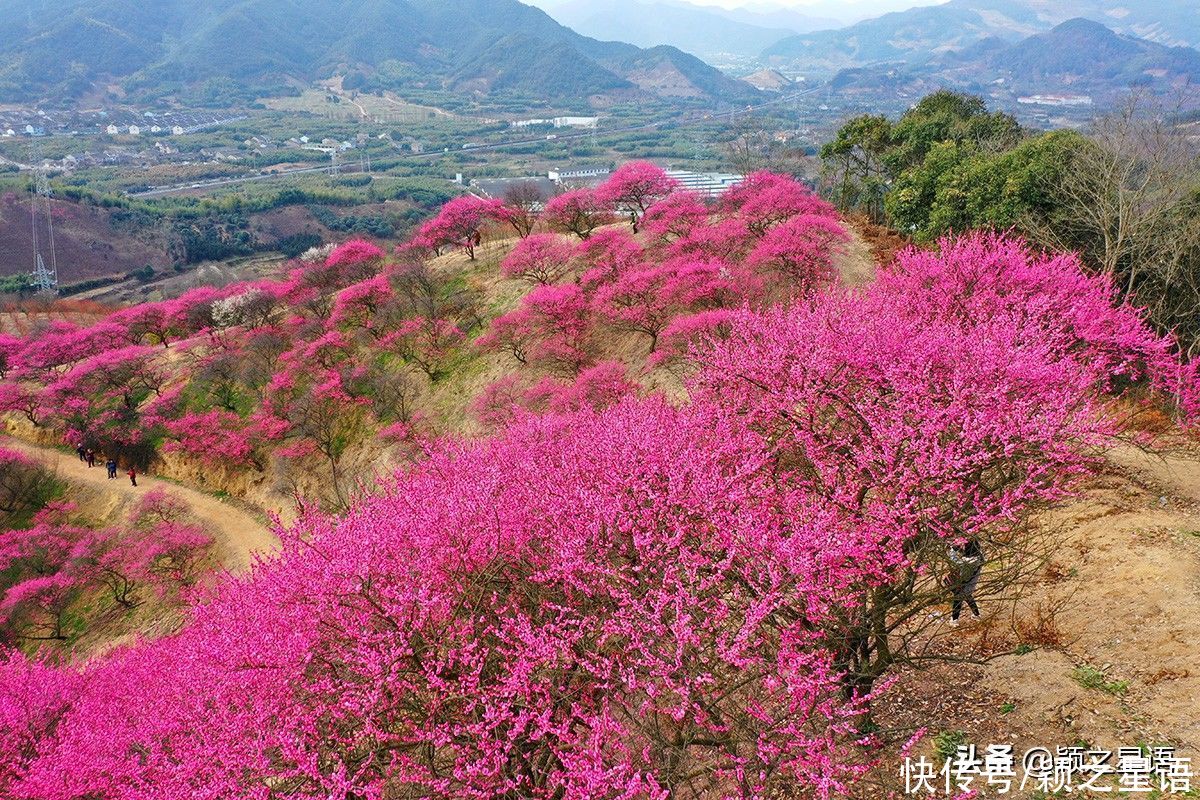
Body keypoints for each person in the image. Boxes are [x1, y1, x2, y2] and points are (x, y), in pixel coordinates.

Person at [947, 539, 985, 623]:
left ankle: (954, 620)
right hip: (971, 584)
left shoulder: (969, 563)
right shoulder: (978, 556)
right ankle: (977, 615)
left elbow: (956, 561)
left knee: (958, 599)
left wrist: (952, 551)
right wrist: (958, 549)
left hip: (965, 583)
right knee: (968, 597)